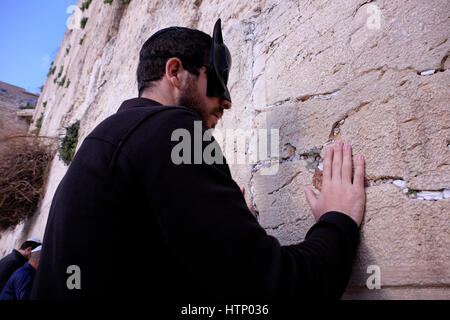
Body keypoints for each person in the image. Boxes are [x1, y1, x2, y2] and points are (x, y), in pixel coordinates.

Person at [31, 19, 365, 300]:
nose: (226, 101)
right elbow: (272, 289)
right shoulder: (171, 129)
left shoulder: (105, 141)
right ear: (175, 72)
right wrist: (337, 220)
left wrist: (226, 233)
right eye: (216, 79)